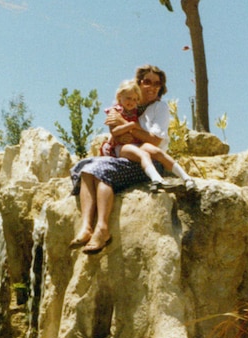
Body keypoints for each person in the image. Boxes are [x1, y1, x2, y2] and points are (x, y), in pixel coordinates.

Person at [70, 64, 188, 254]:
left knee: (103, 172)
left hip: (149, 161)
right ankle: (86, 227)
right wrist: (122, 133)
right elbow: (117, 134)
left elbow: (155, 140)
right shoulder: (129, 106)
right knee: (86, 168)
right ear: (138, 83)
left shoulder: (160, 108)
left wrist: (127, 126)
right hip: (126, 156)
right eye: (147, 81)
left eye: (157, 84)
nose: (152, 87)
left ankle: (102, 229)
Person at [101, 79, 196, 193]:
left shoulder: (135, 111)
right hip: (121, 146)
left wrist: (134, 126)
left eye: (135, 99)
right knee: (143, 154)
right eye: (128, 98)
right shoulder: (115, 111)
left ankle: (186, 178)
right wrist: (130, 125)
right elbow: (114, 132)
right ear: (119, 96)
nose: (132, 102)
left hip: (137, 142)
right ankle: (156, 179)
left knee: (156, 152)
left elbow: (141, 125)